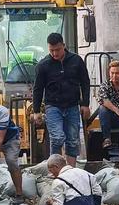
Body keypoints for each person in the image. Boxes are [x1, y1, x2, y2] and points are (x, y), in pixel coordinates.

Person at [33, 33, 91, 167]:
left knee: (72, 139)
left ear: (64, 46)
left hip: (72, 106)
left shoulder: (76, 60)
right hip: (53, 106)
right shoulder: (43, 65)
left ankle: (70, 170)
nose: (55, 53)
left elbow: (85, 82)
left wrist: (85, 104)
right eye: (51, 50)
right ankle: (56, 169)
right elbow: (38, 88)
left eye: (57, 50)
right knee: (57, 138)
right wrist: (36, 111)